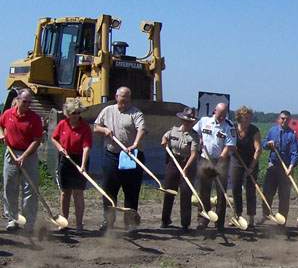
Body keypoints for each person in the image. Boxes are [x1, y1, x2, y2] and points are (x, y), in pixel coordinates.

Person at [94, 86, 148, 231]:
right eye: (122, 96)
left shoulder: (136, 113)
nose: (124, 99)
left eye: (127, 97)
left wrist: (135, 144)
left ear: (130, 98)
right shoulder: (107, 111)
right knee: (109, 189)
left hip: (131, 156)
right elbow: (96, 127)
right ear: (116, 97)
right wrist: (104, 130)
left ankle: (129, 222)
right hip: (112, 155)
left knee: (131, 190)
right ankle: (108, 220)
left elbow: (142, 129)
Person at [0, 88, 43, 233]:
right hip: (11, 153)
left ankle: (28, 222)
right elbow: (0, 125)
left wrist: (24, 156)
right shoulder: (8, 114)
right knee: (9, 186)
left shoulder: (35, 118)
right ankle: (12, 218)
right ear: (18, 100)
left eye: (29, 102)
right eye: (24, 102)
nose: (27, 105)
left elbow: (37, 140)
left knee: (30, 188)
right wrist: (1, 135)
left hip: (28, 155)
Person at [193, 102, 236, 232]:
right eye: (220, 113)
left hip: (221, 161)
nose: (222, 116)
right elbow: (195, 132)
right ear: (214, 111)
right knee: (204, 191)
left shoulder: (229, 126)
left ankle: (219, 222)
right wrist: (199, 138)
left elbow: (228, 146)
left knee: (221, 192)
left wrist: (218, 164)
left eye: (224, 114)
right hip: (205, 159)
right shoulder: (204, 121)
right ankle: (203, 219)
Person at [52, 99, 92, 234]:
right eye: (74, 113)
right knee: (65, 192)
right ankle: (63, 222)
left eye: (78, 113)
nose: (76, 115)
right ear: (68, 113)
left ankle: (79, 224)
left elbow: (86, 147)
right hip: (66, 159)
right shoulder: (62, 124)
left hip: (79, 159)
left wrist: (83, 165)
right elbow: (54, 138)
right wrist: (59, 148)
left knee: (78, 192)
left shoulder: (85, 127)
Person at [160, 107, 200, 232]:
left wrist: (186, 168)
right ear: (182, 120)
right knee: (169, 191)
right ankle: (165, 220)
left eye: (190, 122)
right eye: (186, 121)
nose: (188, 123)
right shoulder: (173, 130)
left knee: (185, 192)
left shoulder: (194, 136)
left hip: (188, 163)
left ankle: (185, 223)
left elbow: (194, 154)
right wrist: (164, 140)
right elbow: (165, 137)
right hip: (174, 162)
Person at [258, 110, 298, 229]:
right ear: (279, 118)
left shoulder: (292, 135)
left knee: (284, 196)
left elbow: (295, 153)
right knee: (267, 193)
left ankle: (282, 221)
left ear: (289, 121)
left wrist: (291, 167)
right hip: (273, 166)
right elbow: (264, 144)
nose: (284, 121)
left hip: (285, 168)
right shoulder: (272, 131)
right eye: (282, 118)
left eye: (287, 119)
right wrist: (268, 144)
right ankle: (266, 214)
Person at [230, 106, 262, 228]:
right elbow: (228, 142)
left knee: (250, 189)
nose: (248, 121)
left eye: (249, 118)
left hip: (251, 161)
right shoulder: (233, 128)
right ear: (240, 118)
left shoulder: (254, 130)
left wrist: (251, 168)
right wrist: (231, 146)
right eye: (246, 118)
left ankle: (251, 218)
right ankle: (237, 215)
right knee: (235, 187)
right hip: (237, 160)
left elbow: (258, 149)